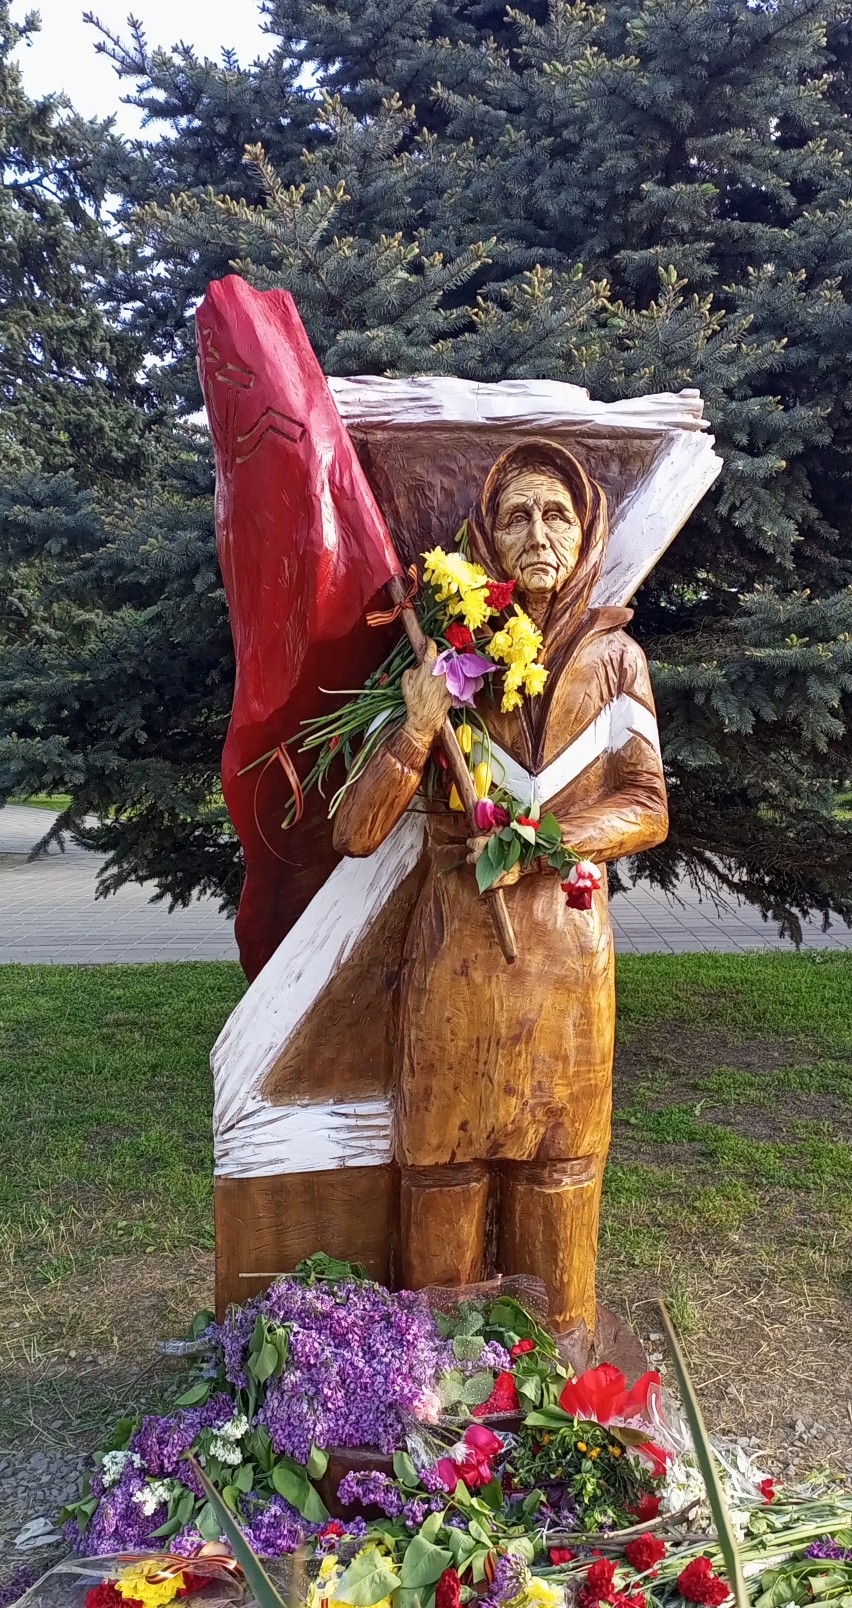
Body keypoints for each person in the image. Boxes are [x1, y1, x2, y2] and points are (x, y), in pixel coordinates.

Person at [332, 441, 668, 1335]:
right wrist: (414, 730)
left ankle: (559, 1387)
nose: (538, 534)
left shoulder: (614, 660)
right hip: (458, 957)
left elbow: (647, 806)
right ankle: (434, 1386)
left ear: (586, 530)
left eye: (556, 514)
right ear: (485, 533)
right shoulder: (445, 662)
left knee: (558, 1176)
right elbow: (356, 832)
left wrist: (551, 840)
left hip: (564, 955)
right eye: (516, 515)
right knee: (443, 1171)